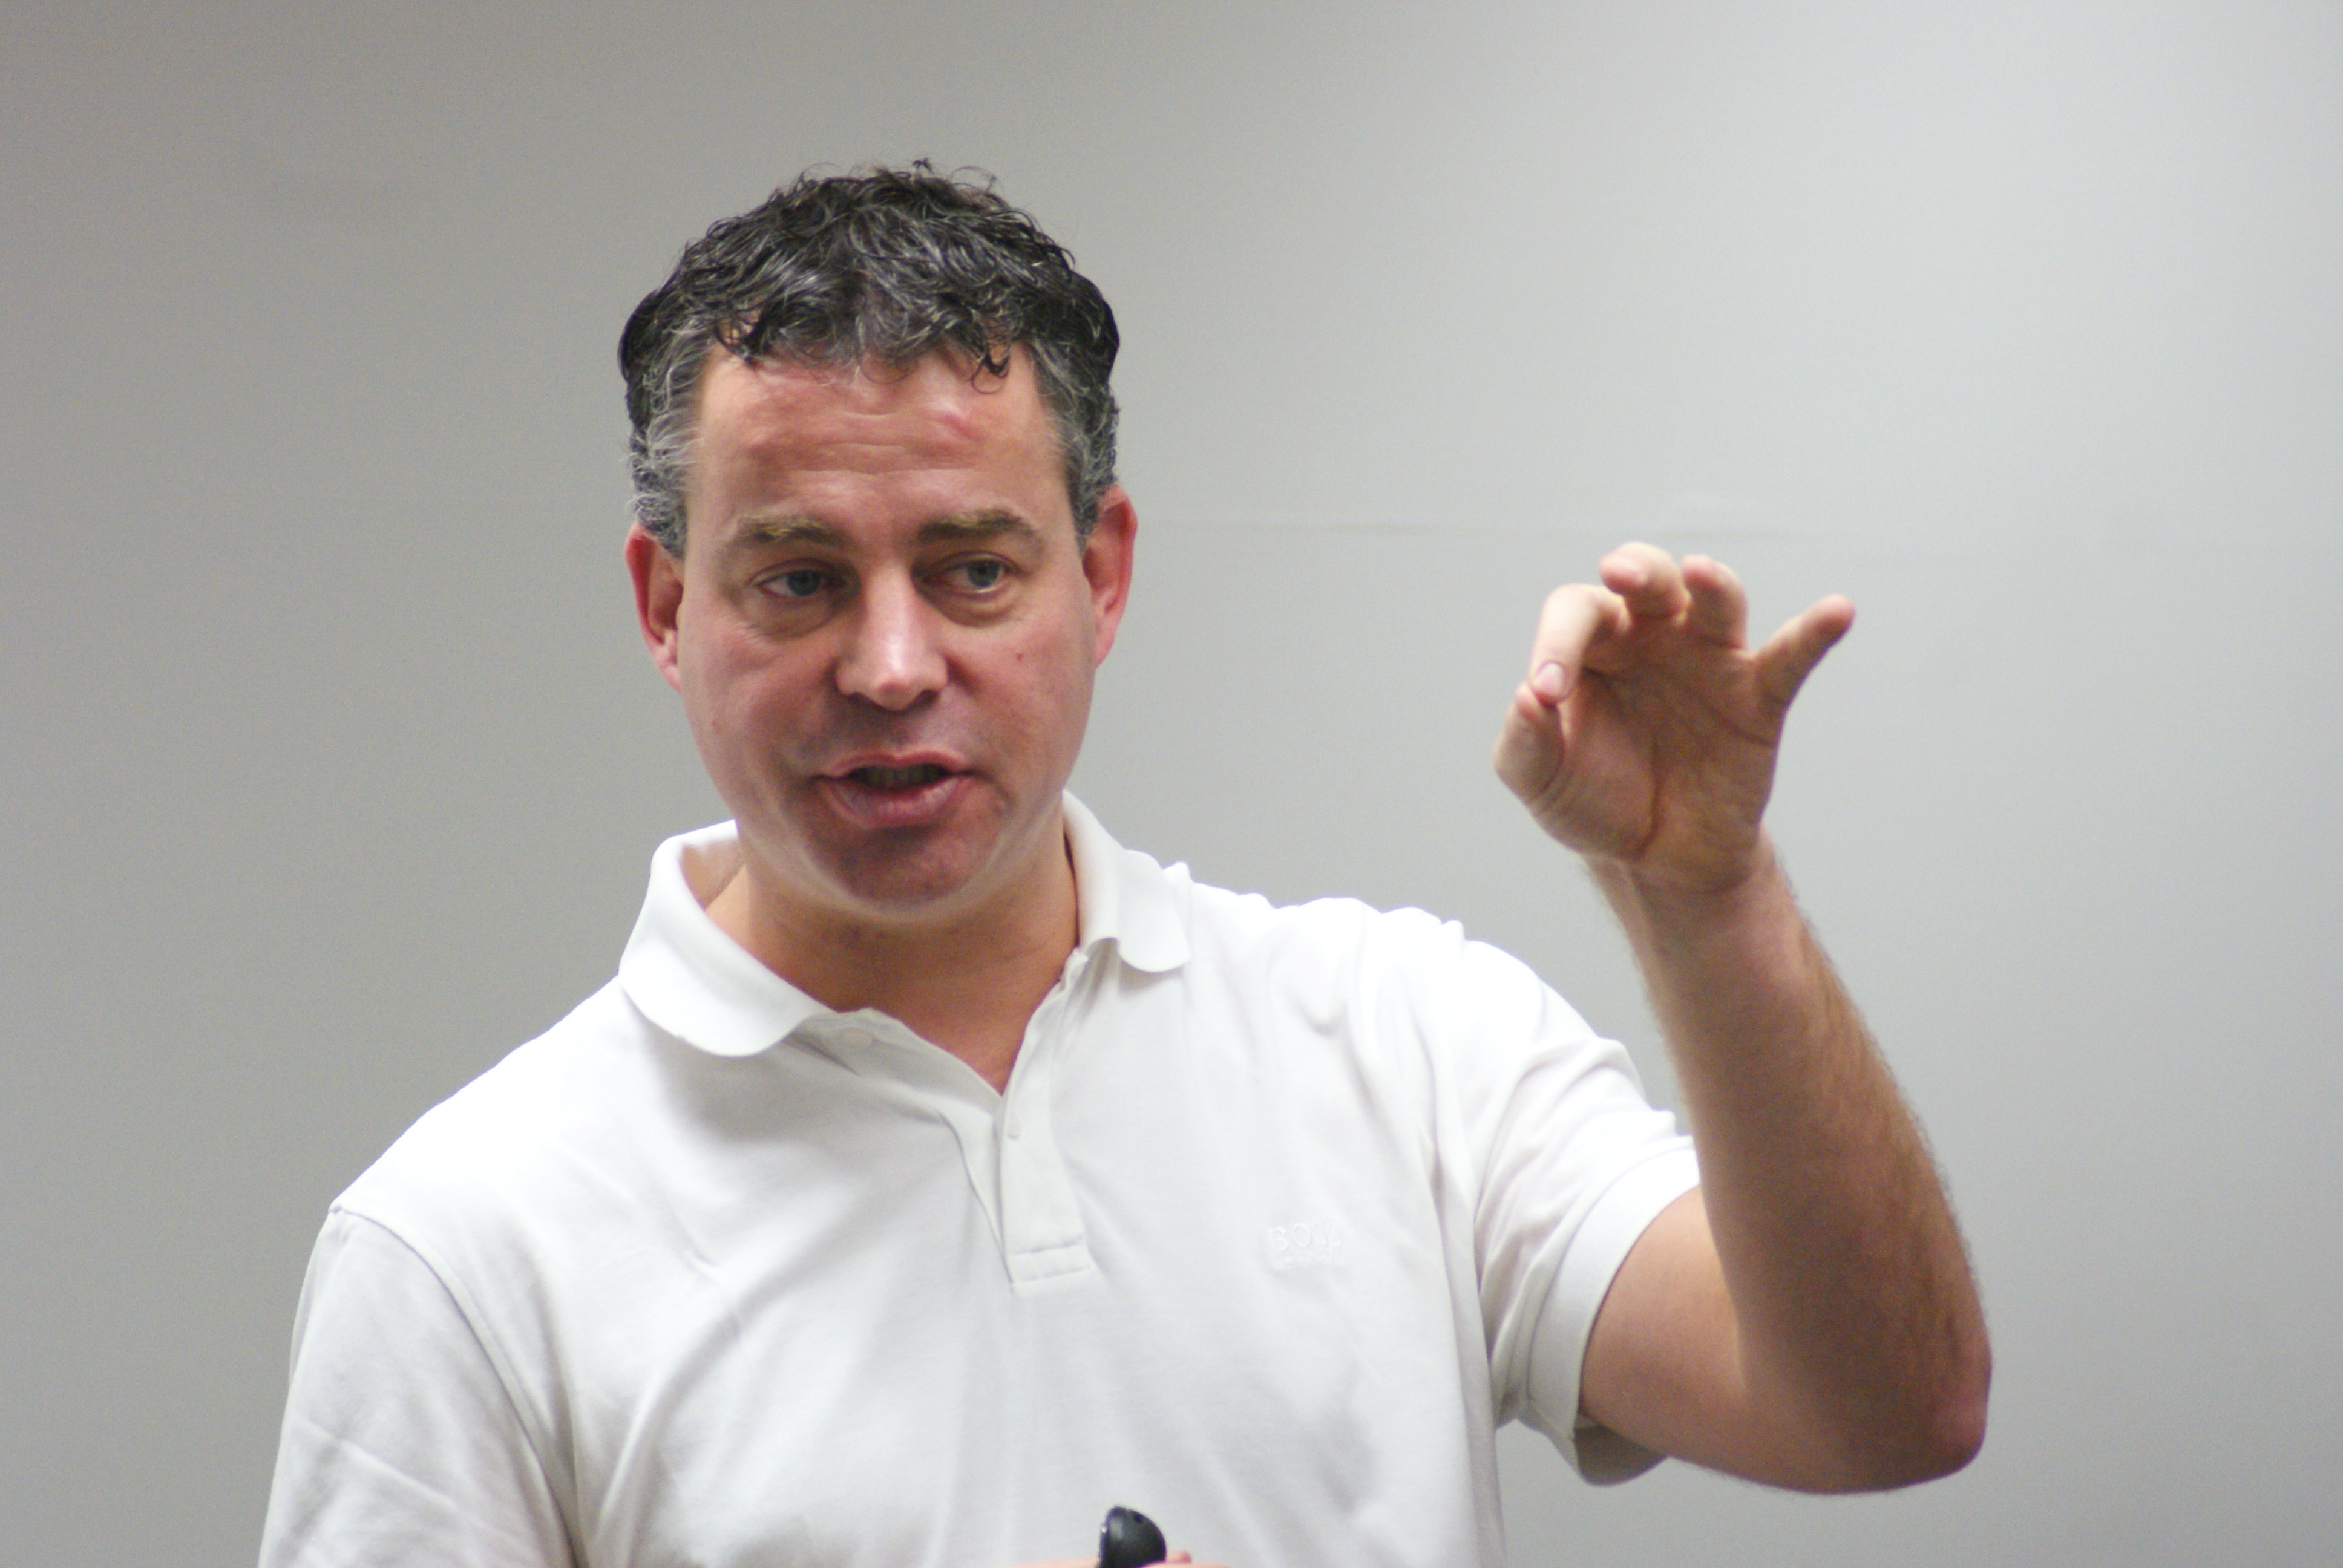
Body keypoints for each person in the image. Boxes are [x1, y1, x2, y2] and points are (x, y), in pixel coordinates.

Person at [258, 166, 1988, 1568]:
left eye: (973, 570)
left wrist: (1706, 896)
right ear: (666, 607)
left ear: (1102, 576)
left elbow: (1884, 1415)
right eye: (797, 578)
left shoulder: (1404, 1046)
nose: (891, 667)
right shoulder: (465, 1246)